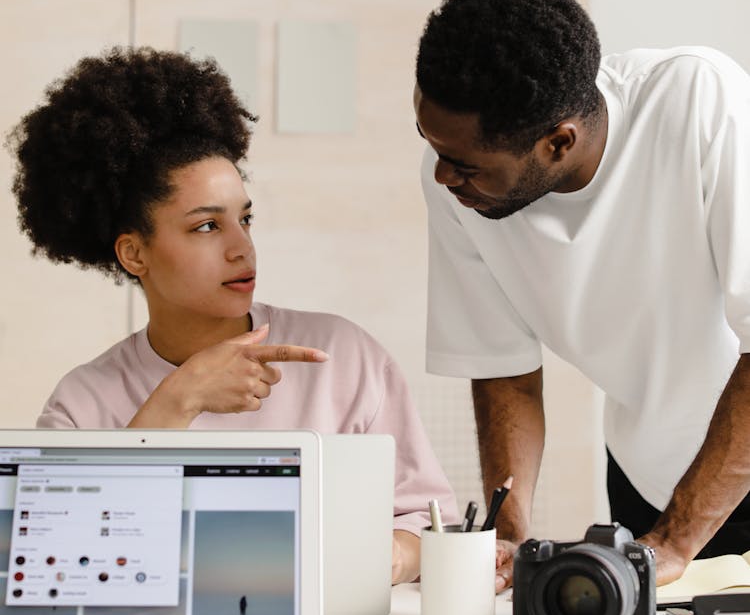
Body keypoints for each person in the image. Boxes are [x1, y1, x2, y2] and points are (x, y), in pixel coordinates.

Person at [8, 46, 458, 585]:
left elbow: (431, 525)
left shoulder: (343, 356)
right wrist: (180, 398)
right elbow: (47, 565)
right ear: (134, 254)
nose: (242, 247)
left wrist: (393, 557)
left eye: (245, 218)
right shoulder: (82, 404)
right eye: (206, 226)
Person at [414, 0, 750, 590]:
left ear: (558, 142)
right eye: (431, 145)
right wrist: (508, 535)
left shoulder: (701, 102)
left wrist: (677, 541)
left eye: (463, 164)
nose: (441, 175)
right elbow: (503, 368)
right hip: (648, 479)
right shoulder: (460, 188)